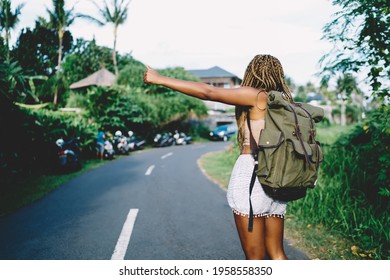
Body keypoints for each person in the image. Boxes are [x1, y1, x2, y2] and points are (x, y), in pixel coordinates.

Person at [143, 54, 291, 260]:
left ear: (253, 73)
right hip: (278, 178)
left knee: (255, 258)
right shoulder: (283, 101)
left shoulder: (255, 95)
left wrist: (160, 79)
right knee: (277, 253)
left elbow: (208, 91)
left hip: (253, 176)